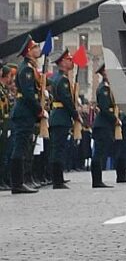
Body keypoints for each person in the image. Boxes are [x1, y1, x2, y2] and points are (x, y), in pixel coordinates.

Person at [8, 39, 44, 195]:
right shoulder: (27, 70)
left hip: (25, 112)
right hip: (24, 112)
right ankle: (17, 183)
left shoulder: (29, 68)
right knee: (20, 148)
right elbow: (29, 94)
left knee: (22, 148)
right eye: (35, 47)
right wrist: (39, 109)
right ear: (29, 51)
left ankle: (19, 182)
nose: (38, 49)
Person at [46, 51, 77, 189]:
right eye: (69, 60)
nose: (72, 62)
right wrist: (76, 115)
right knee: (58, 149)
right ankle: (57, 180)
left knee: (57, 148)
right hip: (61, 117)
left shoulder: (57, 78)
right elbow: (67, 100)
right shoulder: (62, 80)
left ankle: (58, 178)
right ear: (63, 62)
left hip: (58, 116)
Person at [91, 64, 120, 189]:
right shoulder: (104, 88)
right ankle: (97, 181)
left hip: (104, 125)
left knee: (101, 152)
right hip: (102, 125)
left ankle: (98, 180)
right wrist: (115, 119)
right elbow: (104, 108)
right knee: (98, 153)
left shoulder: (108, 87)